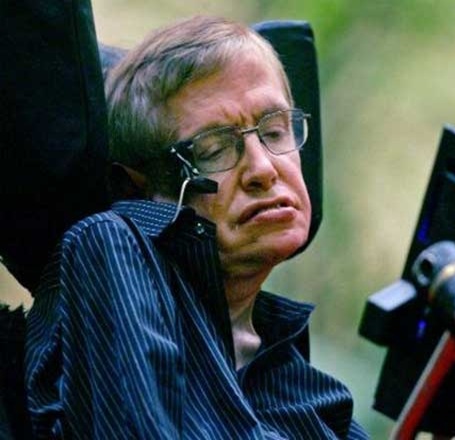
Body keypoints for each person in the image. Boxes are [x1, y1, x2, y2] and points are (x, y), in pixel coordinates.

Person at [25, 15, 368, 439]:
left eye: (275, 131)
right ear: (140, 186)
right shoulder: (111, 243)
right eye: (214, 149)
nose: (263, 169)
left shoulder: (312, 393)